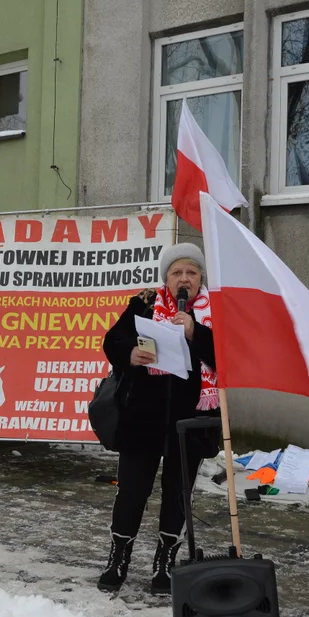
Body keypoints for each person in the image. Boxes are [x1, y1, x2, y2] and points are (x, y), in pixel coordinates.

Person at [97, 242, 221, 595]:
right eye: (177, 272)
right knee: (132, 492)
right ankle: (118, 557)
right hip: (144, 418)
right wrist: (129, 352)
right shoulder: (146, 303)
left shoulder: (215, 311)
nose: (184, 279)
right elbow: (113, 340)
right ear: (166, 277)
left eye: (192, 273)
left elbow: (229, 358)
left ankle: (164, 564)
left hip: (191, 421)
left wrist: (195, 332)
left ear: (200, 279)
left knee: (178, 494)